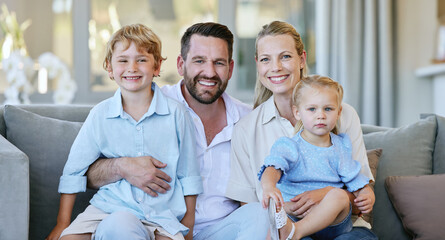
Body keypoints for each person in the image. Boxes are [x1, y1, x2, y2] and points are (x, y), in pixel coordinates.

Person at [85, 22, 269, 239]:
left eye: (218, 63)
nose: (209, 72)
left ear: (230, 68)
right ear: (181, 65)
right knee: (117, 223)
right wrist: (121, 166)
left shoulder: (249, 119)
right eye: (199, 61)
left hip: (221, 231)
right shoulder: (147, 106)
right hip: (155, 229)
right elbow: (87, 176)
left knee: (260, 214)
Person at [47, 23, 203, 240]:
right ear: (109, 69)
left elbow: (189, 175)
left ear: (157, 66)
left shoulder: (177, 114)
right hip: (107, 209)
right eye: (123, 60)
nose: (132, 67)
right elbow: (73, 171)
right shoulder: (99, 115)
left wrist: (188, 226)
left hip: (161, 215)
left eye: (141, 59)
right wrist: (62, 224)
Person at [227, 20, 378, 239]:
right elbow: (249, 214)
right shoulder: (246, 130)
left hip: (342, 227)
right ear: (258, 65)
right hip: (285, 226)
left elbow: (361, 201)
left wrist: (326, 194)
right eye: (265, 59)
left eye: (285, 56)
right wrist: (284, 209)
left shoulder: (343, 115)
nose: (276, 67)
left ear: (302, 59)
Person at [259, 75, 375, 240]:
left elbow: (356, 180)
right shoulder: (289, 146)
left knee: (339, 195)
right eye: (312, 109)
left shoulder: (340, 147)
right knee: (275, 225)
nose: (320, 115)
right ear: (297, 112)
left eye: (328, 109)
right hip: (296, 216)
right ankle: (293, 231)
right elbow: (273, 167)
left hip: (333, 224)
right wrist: (268, 186)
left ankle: (295, 232)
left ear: (339, 112)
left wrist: (367, 193)